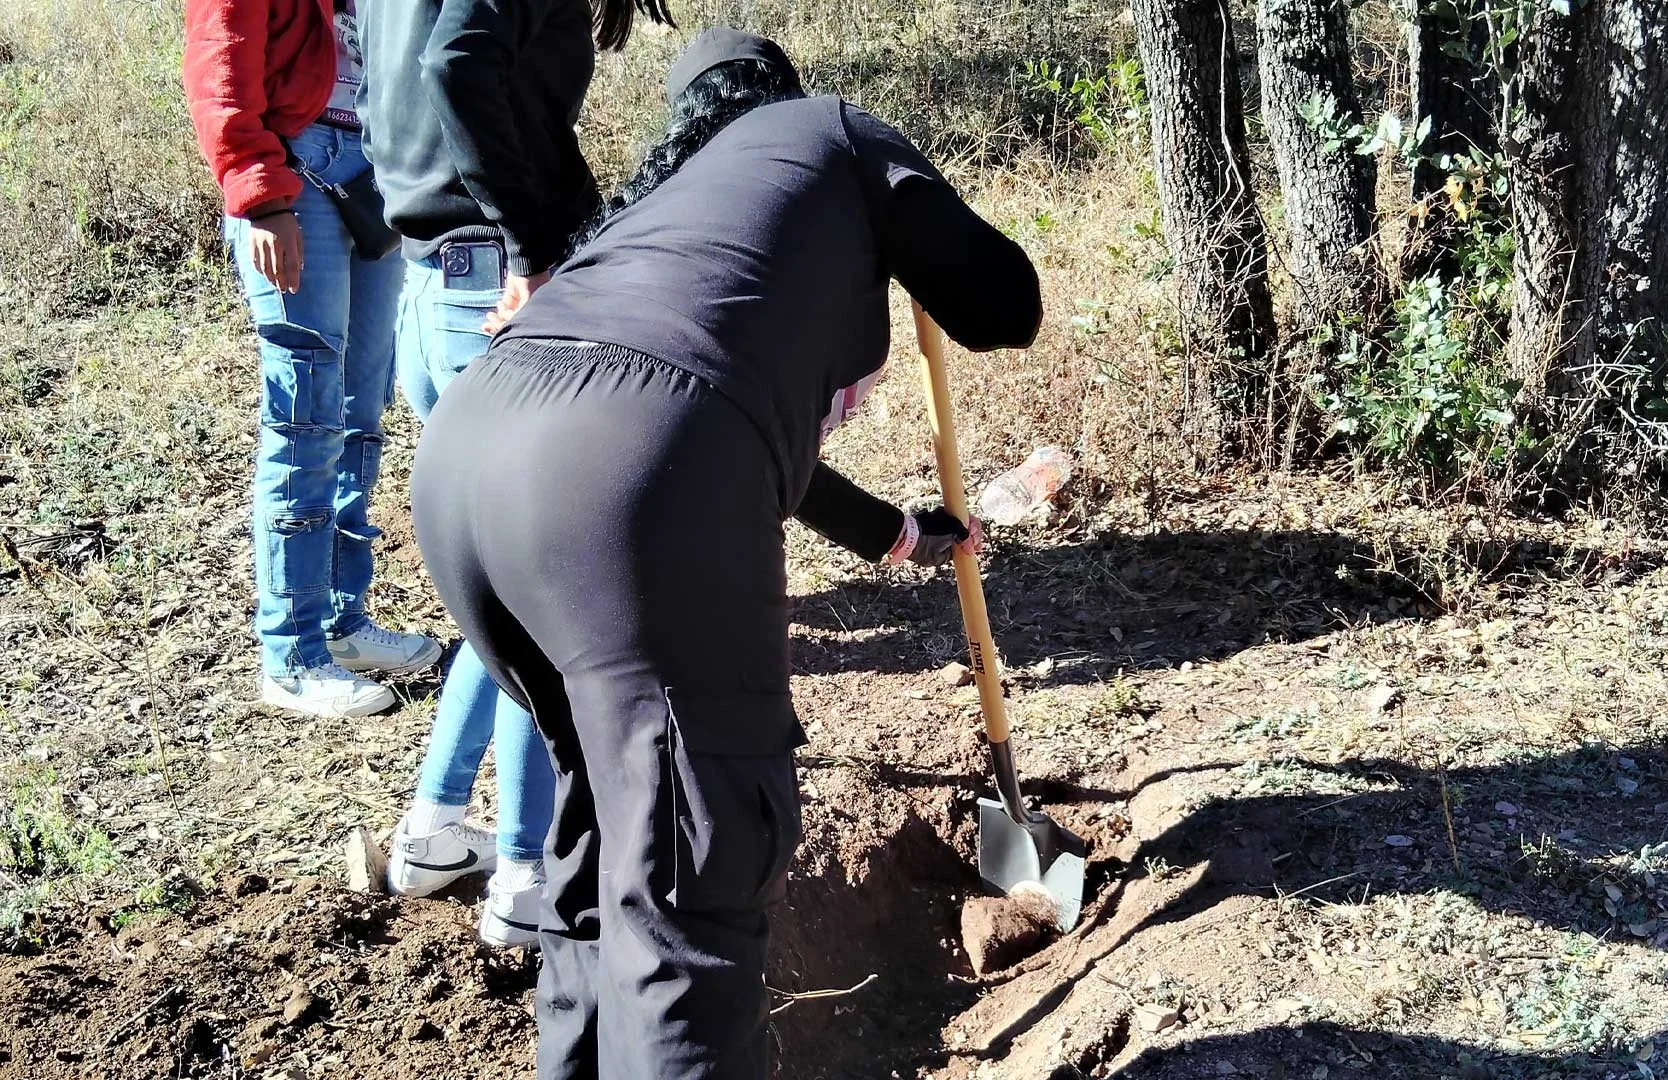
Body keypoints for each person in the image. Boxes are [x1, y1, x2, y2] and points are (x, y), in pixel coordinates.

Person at [409, 30, 1042, 1078]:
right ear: (780, 95)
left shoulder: (662, 221)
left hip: (471, 463)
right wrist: (913, 220)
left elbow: (717, 429)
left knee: (605, 841)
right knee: (692, 875)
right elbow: (1003, 306)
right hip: (624, 484)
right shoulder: (833, 135)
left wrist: (900, 533)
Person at [355, 0, 669, 947]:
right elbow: (457, 67)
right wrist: (534, 247)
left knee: (498, 599)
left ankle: (437, 831)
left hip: (429, 278)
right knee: (544, 601)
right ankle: (530, 879)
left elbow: (406, 82)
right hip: (489, 285)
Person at [184, 0, 442, 720]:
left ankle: (341, 621)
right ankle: (291, 656)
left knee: (362, 410)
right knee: (305, 418)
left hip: (375, 170)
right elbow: (219, 64)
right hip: (296, 172)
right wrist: (259, 196)